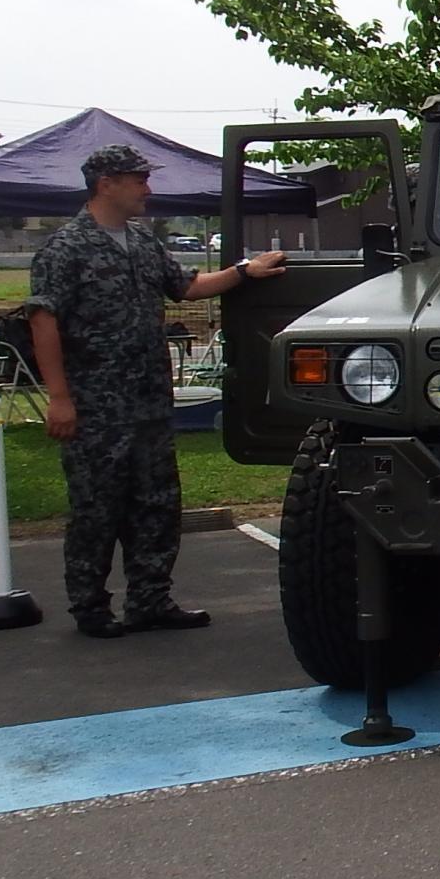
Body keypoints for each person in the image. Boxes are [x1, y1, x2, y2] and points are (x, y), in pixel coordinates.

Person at [27, 144, 288, 639]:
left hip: (147, 400)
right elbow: (43, 320)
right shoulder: (66, 248)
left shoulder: (142, 243)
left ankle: (150, 599)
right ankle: (91, 606)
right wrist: (59, 397)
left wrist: (243, 272)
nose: (147, 189)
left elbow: (186, 286)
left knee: (156, 504)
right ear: (107, 183)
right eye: (138, 179)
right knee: (96, 508)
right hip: (95, 403)